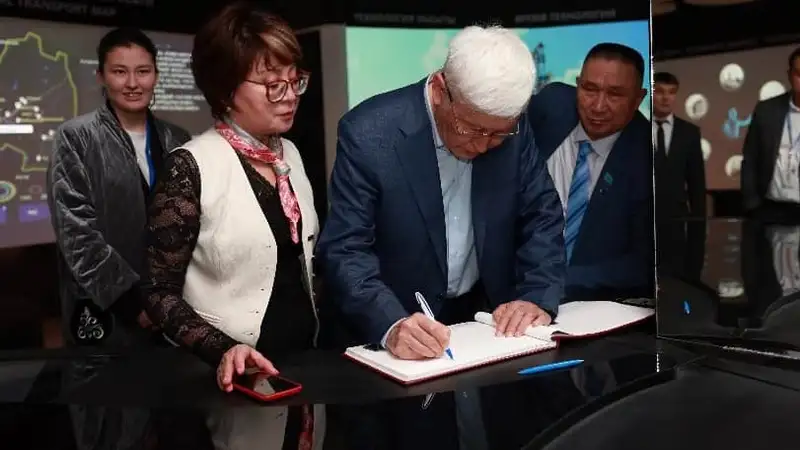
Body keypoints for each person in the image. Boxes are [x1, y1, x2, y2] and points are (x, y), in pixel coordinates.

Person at [316, 25, 565, 450]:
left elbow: (541, 215)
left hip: (479, 324)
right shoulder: (369, 133)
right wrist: (390, 323)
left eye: (498, 134)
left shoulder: (512, 129)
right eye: (471, 129)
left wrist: (537, 296)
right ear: (439, 89)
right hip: (395, 325)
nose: (484, 145)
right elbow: (345, 249)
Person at [140, 2, 324, 449]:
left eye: (295, 80)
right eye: (273, 85)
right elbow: (158, 292)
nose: (291, 96)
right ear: (225, 91)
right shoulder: (191, 166)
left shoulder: (290, 155)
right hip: (228, 379)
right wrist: (223, 349)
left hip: (300, 368)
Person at [46, 27, 194, 450]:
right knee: (107, 425)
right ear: (100, 76)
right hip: (105, 310)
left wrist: (167, 303)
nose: (132, 83)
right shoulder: (76, 138)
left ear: (156, 75)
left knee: (173, 421)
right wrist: (133, 302)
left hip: (171, 309)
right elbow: (77, 233)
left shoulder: (178, 140)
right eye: (119, 71)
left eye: (143, 71)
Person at [527, 43, 654, 300]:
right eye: (589, 89)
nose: (597, 106)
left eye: (615, 94)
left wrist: (556, 281)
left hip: (590, 303)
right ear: (578, 84)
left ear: (638, 99)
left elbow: (644, 264)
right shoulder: (550, 107)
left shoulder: (647, 156)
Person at [652, 71, 707, 279]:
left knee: (676, 278)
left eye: (671, 92)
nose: (666, 98)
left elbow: (696, 182)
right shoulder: (635, 129)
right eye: (660, 91)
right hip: (641, 220)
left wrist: (698, 225)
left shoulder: (689, 132)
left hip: (676, 220)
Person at [741, 46, 800, 220]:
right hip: (771, 209)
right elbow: (750, 159)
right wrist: (752, 205)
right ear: (789, 75)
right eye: (799, 73)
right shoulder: (767, 110)